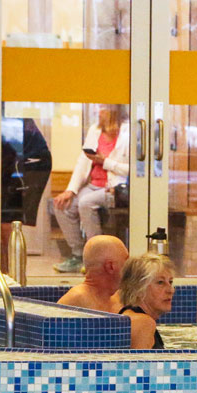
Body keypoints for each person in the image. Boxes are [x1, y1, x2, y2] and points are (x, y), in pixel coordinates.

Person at [52, 105, 130, 273]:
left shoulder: (128, 133)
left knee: (86, 203)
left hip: (115, 188)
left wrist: (106, 162)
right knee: (61, 205)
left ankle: (97, 259)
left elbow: (134, 170)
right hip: (93, 185)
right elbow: (83, 162)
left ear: (114, 111)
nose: (99, 112)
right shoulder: (95, 131)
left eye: (103, 108)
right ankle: (78, 254)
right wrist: (70, 191)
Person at [118, 253, 176, 349]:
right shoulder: (144, 324)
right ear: (138, 288)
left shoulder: (129, 316)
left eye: (170, 282)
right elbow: (139, 363)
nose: (171, 290)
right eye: (160, 282)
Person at [57, 235, 128, 313]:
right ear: (110, 267)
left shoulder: (116, 298)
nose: (130, 267)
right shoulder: (78, 299)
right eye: (126, 261)